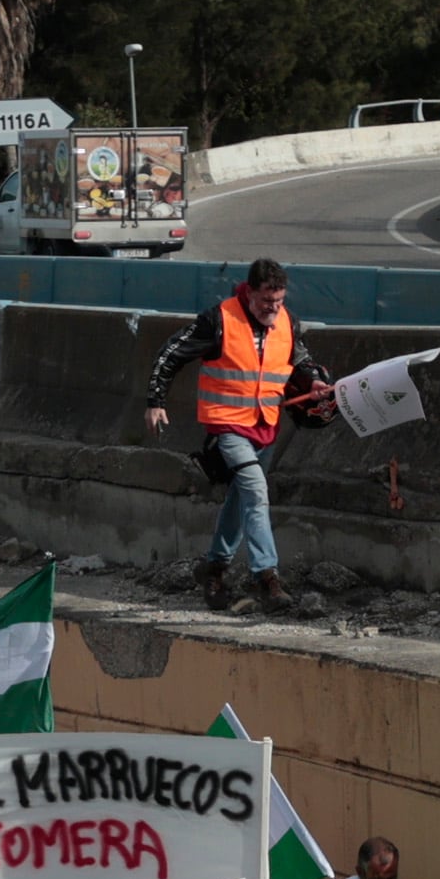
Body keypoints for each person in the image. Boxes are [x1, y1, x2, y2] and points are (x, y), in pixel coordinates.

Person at [140, 254, 333, 612]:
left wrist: (316, 382)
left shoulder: (288, 322)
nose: (272, 309)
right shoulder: (219, 320)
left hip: (266, 425)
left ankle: (213, 568)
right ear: (248, 293)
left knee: (239, 499)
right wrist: (155, 401)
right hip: (227, 423)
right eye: (265, 302)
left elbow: (300, 361)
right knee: (256, 492)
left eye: (278, 301)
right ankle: (267, 578)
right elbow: (171, 354)